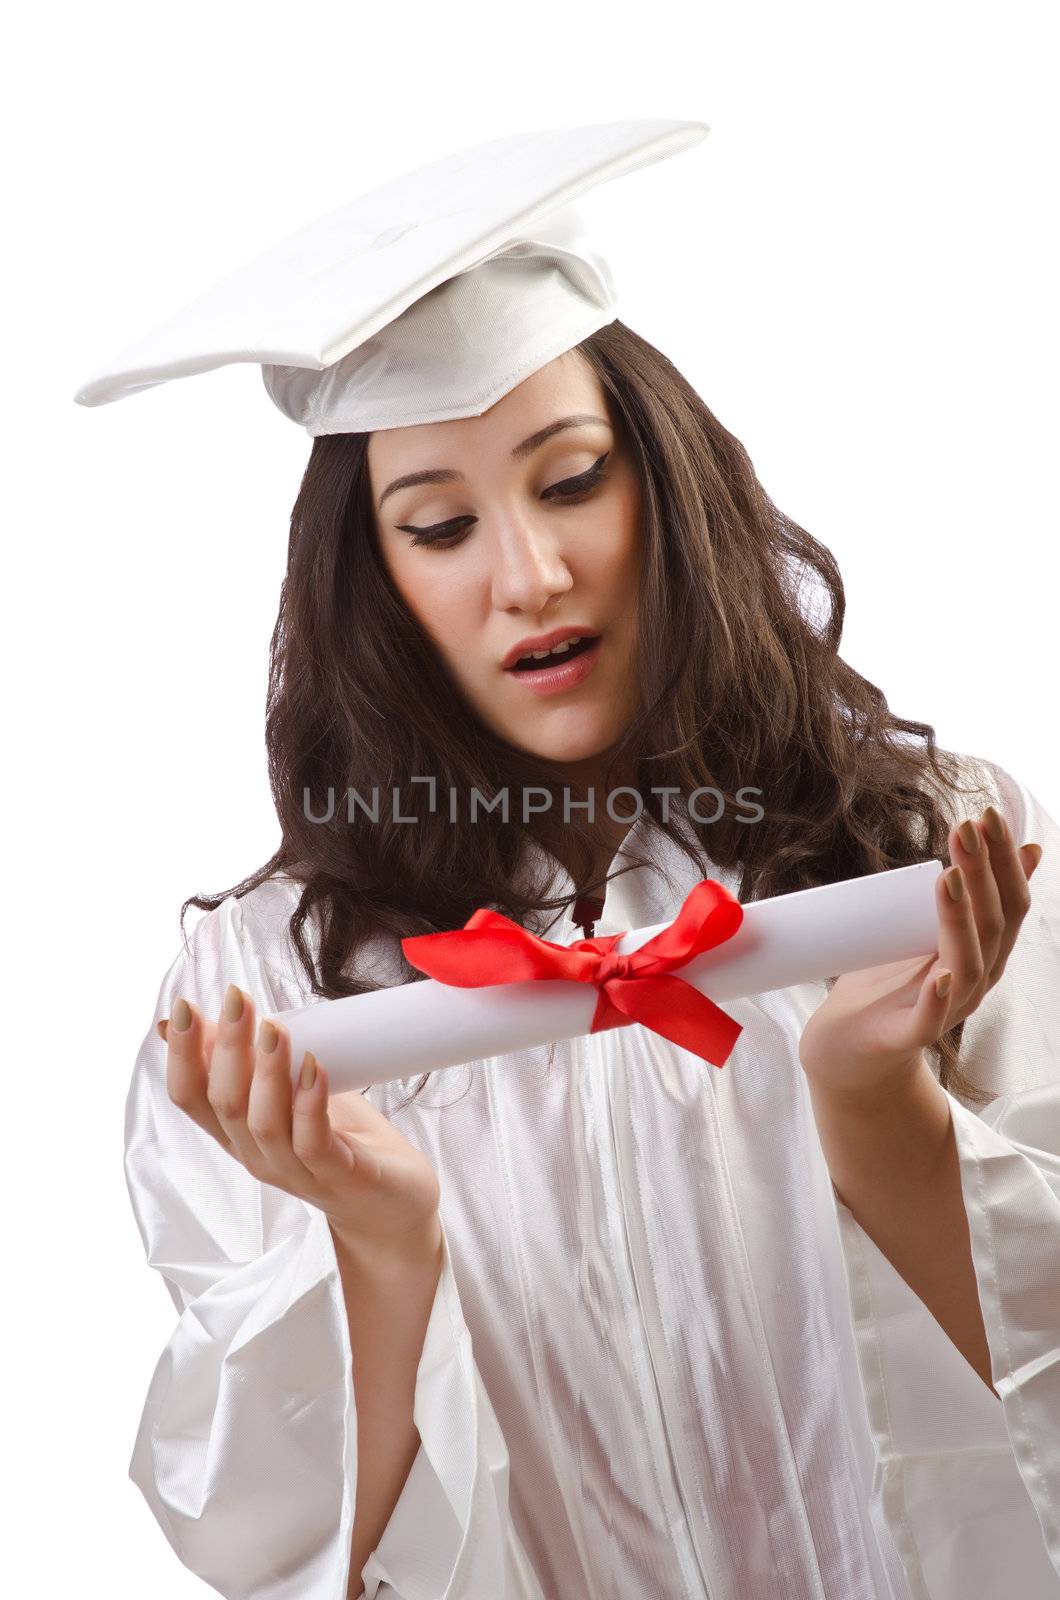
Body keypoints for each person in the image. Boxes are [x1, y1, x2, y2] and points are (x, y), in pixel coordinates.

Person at [78, 121, 1060, 1599]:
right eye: (442, 523)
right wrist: (378, 1242)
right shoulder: (278, 997)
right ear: (377, 579)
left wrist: (874, 1100)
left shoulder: (916, 855)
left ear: (664, 486)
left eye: (573, 479)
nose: (529, 575)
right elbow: (279, 1549)